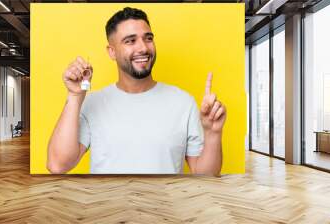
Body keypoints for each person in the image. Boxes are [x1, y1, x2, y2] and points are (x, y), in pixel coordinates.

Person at [47, 7, 226, 175]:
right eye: (130, 41)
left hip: (166, 207)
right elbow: (58, 165)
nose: (143, 48)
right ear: (112, 52)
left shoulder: (183, 102)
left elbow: (205, 176)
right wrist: (75, 95)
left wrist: (213, 134)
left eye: (148, 38)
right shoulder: (92, 103)